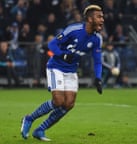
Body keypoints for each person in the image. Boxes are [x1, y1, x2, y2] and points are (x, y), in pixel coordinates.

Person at [21, 5, 104, 141]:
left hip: (71, 71)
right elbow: (52, 44)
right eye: (99, 17)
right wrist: (63, 55)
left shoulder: (97, 39)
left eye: (102, 17)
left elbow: (97, 61)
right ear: (90, 19)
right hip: (56, 67)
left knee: (69, 104)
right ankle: (29, 118)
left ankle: (40, 130)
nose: (102, 19)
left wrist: (98, 78)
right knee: (58, 101)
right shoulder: (74, 29)